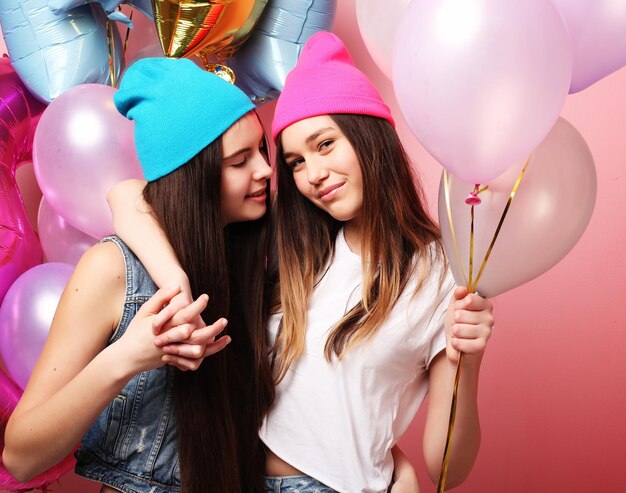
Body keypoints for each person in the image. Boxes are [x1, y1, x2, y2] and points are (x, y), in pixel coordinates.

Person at [107, 33, 494, 493]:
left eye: (325, 144)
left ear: (369, 136)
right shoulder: (292, 246)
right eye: (294, 161)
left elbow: (447, 467)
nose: (312, 174)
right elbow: (126, 195)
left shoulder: (443, 274)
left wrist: (468, 361)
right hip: (238, 476)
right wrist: (175, 280)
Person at [2, 57, 276, 493]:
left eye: (261, 151)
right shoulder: (114, 270)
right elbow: (20, 456)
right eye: (239, 161)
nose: (264, 170)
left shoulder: (253, 257)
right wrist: (128, 356)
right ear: (191, 176)